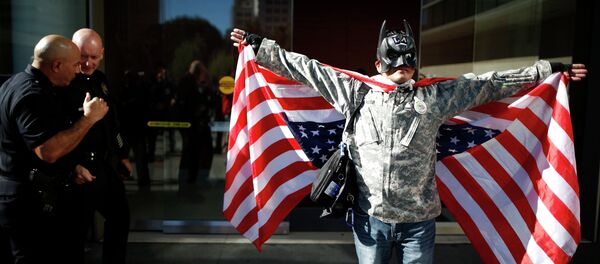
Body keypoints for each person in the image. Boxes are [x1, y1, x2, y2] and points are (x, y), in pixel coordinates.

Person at [230, 20, 587, 264]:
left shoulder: (435, 98)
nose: (401, 63)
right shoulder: (357, 92)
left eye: (408, 58)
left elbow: (490, 84)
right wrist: (260, 47)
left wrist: (548, 70)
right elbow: (308, 68)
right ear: (377, 62)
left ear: (416, 63)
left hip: (419, 223)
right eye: (392, 58)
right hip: (370, 219)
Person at [0, 35, 108, 263]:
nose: (79, 70)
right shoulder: (31, 94)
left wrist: (71, 166)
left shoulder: (19, 82)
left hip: (31, 194)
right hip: (25, 202)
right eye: (76, 64)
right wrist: (89, 119)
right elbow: (47, 151)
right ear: (57, 65)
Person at [55, 28, 132, 264]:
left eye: (94, 57)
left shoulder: (100, 80)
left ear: (102, 54)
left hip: (101, 165)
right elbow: (52, 135)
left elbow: (113, 121)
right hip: (76, 170)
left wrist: (122, 154)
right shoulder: (63, 83)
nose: (88, 63)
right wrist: (70, 166)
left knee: (120, 215)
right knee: (74, 235)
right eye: (83, 56)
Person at [173, 60, 214, 190]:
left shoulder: (190, 81)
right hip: (189, 122)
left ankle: (191, 177)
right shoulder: (188, 82)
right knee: (190, 151)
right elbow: (188, 101)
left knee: (192, 150)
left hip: (192, 122)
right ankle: (189, 178)